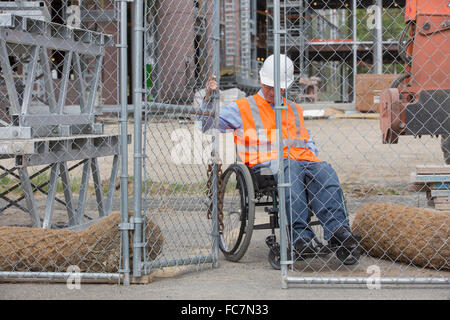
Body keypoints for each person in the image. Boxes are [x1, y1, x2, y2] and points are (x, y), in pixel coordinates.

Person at [198, 54, 358, 258]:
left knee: (324, 170)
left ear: (286, 86)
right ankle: (301, 236)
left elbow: (306, 140)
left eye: (278, 88)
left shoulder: (294, 109)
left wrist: (312, 160)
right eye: (269, 86)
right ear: (261, 80)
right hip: (264, 165)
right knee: (290, 167)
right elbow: (206, 125)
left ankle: (339, 231)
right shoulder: (243, 107)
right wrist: (209, 98)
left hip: (302, 161)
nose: (273, 91)